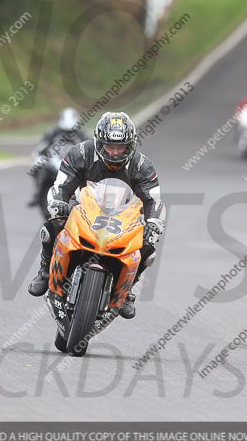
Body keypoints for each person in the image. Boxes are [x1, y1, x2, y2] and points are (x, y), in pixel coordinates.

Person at [28, 111, 164, 319]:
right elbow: (61, 185)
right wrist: (58, 203)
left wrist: (153, 223)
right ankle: (45, 272)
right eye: (110, 147)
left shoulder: (142, 166)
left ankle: (126, 292)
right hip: (82, 206)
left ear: (131, 145)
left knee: (148, 247)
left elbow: (154, 200)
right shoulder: (80, 153)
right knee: (52, 225)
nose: (115, 153)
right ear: (99, 143)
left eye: (121, 147)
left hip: (124, 216)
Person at [28, 108, 88, 207]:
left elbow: (90, 151)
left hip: (74, 168)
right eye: (65, 131)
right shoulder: (52, 133)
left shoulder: (82, 135)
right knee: (38, 168)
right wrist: (41, 160)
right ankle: (38, 194)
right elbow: (39, 151)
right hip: (52, 167)